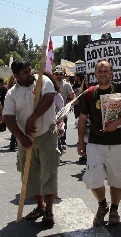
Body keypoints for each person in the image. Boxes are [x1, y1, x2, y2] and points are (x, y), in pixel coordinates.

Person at [77, 59, 121, 226]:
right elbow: (82, 119)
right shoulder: (89, 93)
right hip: (95, 142)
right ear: (95, 74)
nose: (102, 73)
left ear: (111, 73)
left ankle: (114, 210)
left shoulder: (120, 89)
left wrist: (116, 123)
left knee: (117, 180)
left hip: (118, 142)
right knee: (93, 179)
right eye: (99, 71)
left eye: (106, 70)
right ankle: (102, 206)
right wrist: (81, 142)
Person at [3, 60, 58, 224]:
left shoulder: (43, 81)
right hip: (25, 139)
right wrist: (21, 137)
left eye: (30, 69)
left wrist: (32, 118)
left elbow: (49, 98)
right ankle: (40, 206)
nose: (30, 73)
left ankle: (49, 210)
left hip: (47, 133)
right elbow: (8, 117)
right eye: (25, 72)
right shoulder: (11, 94)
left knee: (49, 171)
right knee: (30, 173)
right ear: (16, 76)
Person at [53, 66, 75, 148]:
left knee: (63, 125)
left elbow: (73, 95)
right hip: (51, 109)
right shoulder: (49, 84)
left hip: (63, 109)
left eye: (60, 74)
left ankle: (62, 141)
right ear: (53, 75)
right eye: (56, 74)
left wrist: (70, 104)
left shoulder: (66, 85)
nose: (58, 76)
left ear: (63, 75)